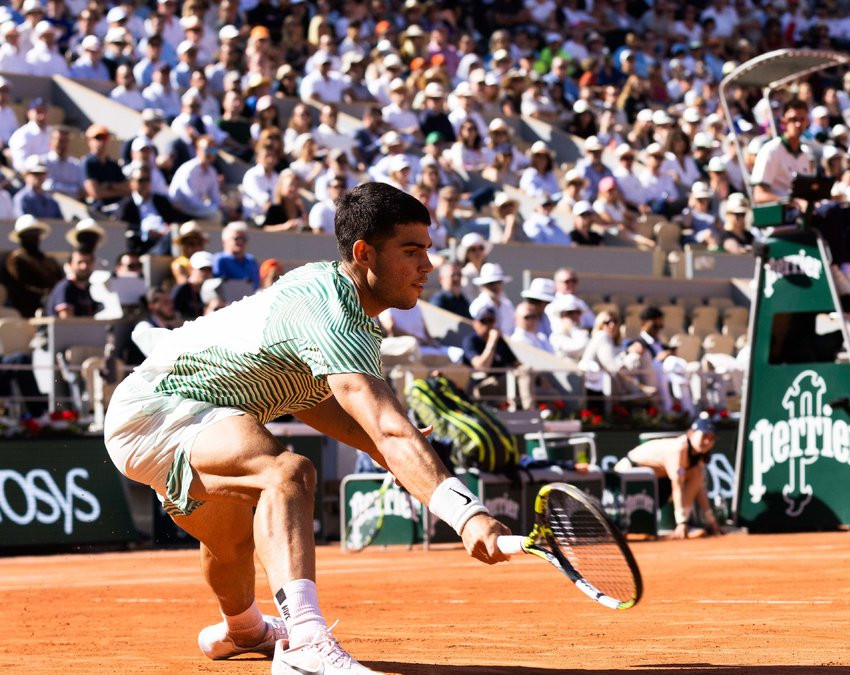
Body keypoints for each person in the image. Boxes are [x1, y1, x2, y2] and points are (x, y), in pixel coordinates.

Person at [104, 182, 509, 674]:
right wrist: (466, 514)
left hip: (173, 415)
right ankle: (303, 644)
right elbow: (387, 428)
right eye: (411, 251)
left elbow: (314, 401)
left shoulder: (333, 297)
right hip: (158, 409)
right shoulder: (332, 312)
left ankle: (245, 630)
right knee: (285, 473)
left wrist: (391, 449)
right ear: (364, 253)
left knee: (230, 542)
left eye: (427, 249)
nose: (427, 265)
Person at [614, 415, 722, 539]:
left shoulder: (699, 456)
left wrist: (711, 521)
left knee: (696, 475)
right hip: (628, 474)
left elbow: (699, 487)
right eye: (704, 436)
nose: (707, 442)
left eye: (712, 438)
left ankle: (682, 524)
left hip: (653, 481)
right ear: (691, 433)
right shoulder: (678, 449)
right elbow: (677, 486)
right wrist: (681, 522)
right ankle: (679, 525)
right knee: (628, 528)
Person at [3, 215, 63, 317]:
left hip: (52, 306)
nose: (32, 237)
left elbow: (59, 281)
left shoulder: (49, 260)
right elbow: (20, 286)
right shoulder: (16, 259)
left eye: (34, 234)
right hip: (24, 309)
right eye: (28, 234)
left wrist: (52, 296)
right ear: (21, 237)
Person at [46, 249, 100, 318]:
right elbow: (67, 323)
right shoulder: (65, 288)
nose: (84, 266)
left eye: (88, 262)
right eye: (79, 262)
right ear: (70, 264)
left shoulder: (88, 288)